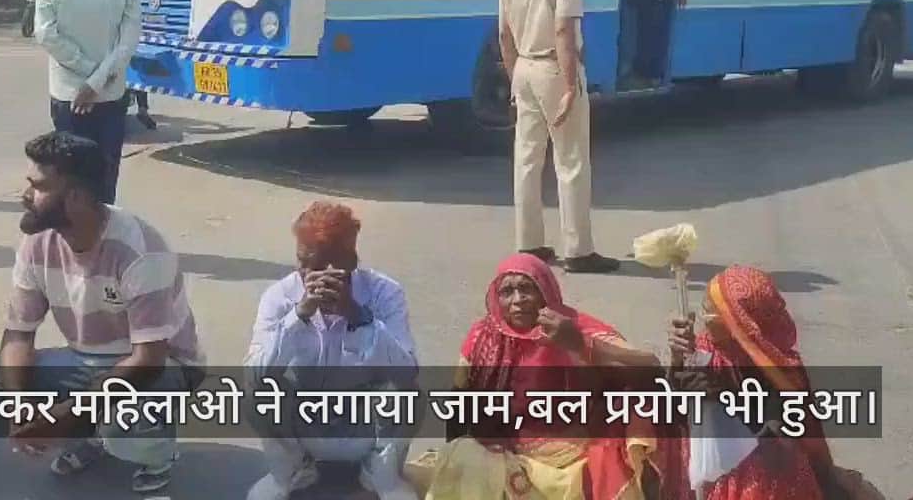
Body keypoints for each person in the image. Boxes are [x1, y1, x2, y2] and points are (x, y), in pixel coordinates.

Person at [1, 131, 204, 494]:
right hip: (89, 359)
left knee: (118, 418)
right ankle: (95, 433)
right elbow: (18, 335)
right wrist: (21, 405)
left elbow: (149, 360)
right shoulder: (36, 243)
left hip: (164, 367)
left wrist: (68, 413)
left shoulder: (140, 252)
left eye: (38, 186)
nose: (25, 195)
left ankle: (157, 455)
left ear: (77, 197)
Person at [406, 253, 665, 500]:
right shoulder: (484, 336)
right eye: (507, 291)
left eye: (526, 288)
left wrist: (579, 344)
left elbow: (652, 369)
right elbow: (459, 402)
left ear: (546, 292)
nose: (518, 299)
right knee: (460, 456)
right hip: (506, 453)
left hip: (573, 460)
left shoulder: (572, 327)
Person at [245, 201, 418, 500]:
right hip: (304, 420)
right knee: (256, 390)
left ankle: (381, 476)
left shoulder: (385, 292)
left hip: (366, 421)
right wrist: (299, 315)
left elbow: (407, 370)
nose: (309, 275)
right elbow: (255, 372)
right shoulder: (280, 297)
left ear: (350, 262)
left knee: (409, 393)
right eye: (303, 263)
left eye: (323, 266)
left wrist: (358, 316)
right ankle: (291, 472)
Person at [498, 0, 617, 274]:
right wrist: (569, 86)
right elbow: (565, 30)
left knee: (527, 159)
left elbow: (504, 33)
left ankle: (529, 244)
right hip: (553, 68)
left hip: (524, 69)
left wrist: (515, 74)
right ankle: (578, 250)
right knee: (571, 161)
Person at [666, 265, 850, 500]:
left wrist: (721, 402)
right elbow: (673, 409)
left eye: (709, 312)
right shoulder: (706, 347)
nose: (702, 319)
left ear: (739, 324)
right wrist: (676, 361)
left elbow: (778, 442)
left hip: (761, 479)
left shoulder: (780, 370)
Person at [34, 0, 141, 204]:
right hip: (109, 96)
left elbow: (45, 34)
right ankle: (105, 235)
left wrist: (85, 74)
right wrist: (96, 81)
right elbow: (127, 45)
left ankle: (70, 239)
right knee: (104, 176)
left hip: (68, 96)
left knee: (68, 175)